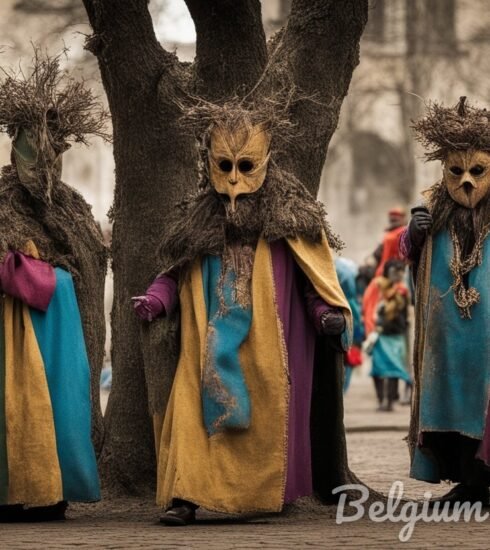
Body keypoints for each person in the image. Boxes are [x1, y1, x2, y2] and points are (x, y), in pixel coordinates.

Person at [133, 99, 352, 525]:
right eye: (225, 165)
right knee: (192, 418)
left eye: (246, 165)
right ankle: (185, 497)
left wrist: (325, 313)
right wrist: (156, 300)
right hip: (206, 342)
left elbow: (313, 280)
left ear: (265, 163)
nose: (234, 178)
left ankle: (259, 494)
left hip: (268, 346)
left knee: (263, 422)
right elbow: (174, 273)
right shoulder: (196, 223)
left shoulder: (290, 222)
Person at [0, 52, 108, 521]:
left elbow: (89, 257)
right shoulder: (1, 200)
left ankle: (54, 491)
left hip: (59, 326)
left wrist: (55, 274)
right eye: (29, 150)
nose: (39, 164)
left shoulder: (72, 208)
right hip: (9, 325)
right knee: (13, 404)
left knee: (60, 406)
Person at [401, 97, 490, 505]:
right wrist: (415, 235)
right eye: (457, 172)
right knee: (454, 407)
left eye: (478, 171)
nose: (468, 182)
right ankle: (468, 485)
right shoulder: (435, 211)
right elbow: (412, 257)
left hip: (486, 336)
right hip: (449, 337)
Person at [363, 259, 411, 411]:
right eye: (395, 272)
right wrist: (371, 329)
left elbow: (405, 313)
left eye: (401, 272)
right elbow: (368, 306)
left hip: (396, 333)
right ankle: (381, 399)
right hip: (379, 333)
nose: (398, 275)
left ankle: (389, 401)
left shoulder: (402, 290)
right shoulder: (378, 285)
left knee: (393, 369)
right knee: (378, 368)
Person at [335, 257, 363, 392]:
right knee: (348, 359)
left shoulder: (337, 299)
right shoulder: (353, 301)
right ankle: (343, 387)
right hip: (351, 332)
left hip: (343, 332)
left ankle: (341, 387)